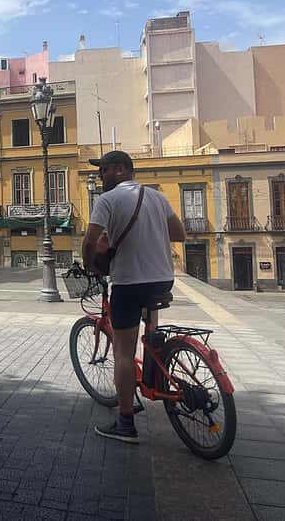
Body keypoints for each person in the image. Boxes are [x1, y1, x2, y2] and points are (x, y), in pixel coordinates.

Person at [82, 151, 186, 443]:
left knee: (123, 353)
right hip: (162, 280)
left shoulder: (108, 200)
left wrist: (92, 265)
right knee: (149, 335)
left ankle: (126, 422)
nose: (100, 176)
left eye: (103, 170)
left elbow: (90, 241)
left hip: (129, 283)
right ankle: (154, 372)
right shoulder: (156, 197)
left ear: (119, 169)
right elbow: (179, 234)